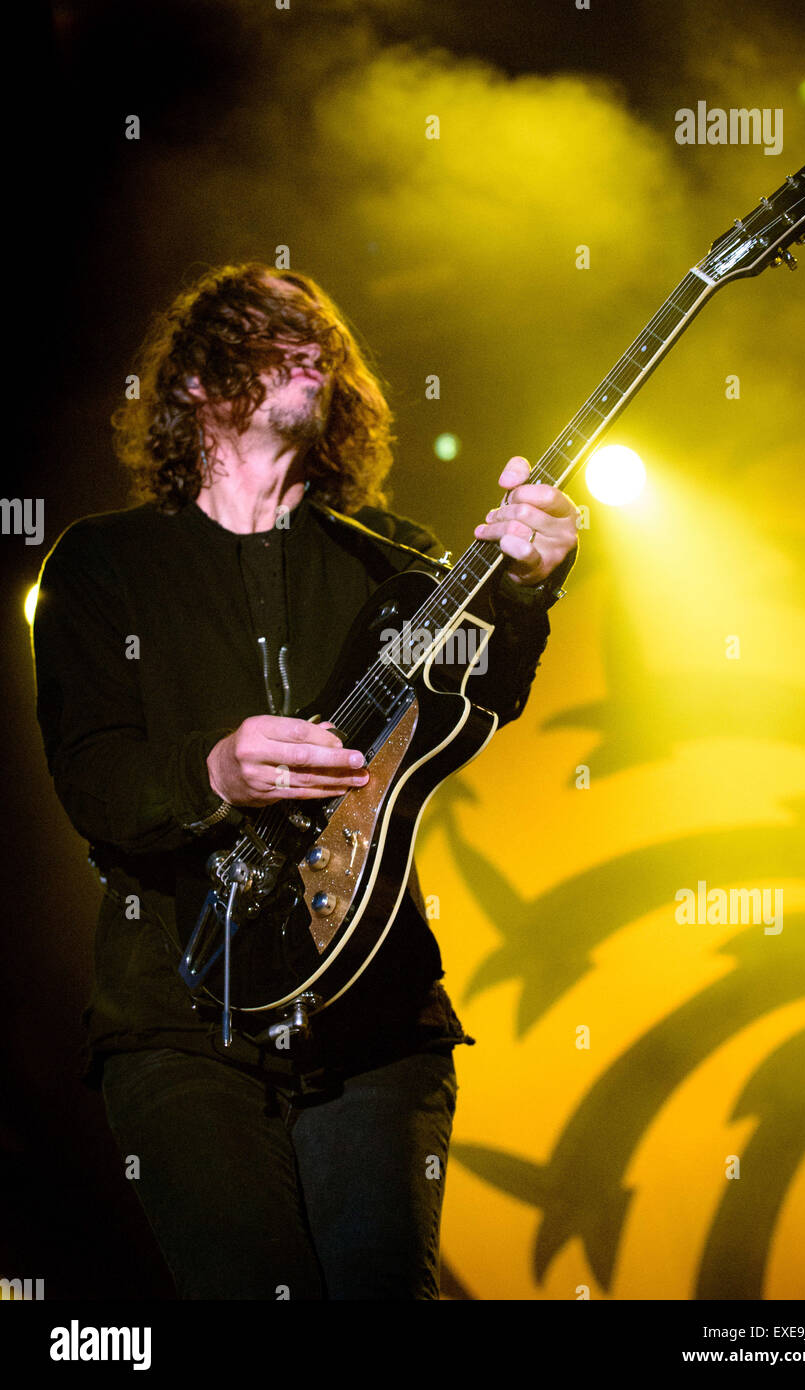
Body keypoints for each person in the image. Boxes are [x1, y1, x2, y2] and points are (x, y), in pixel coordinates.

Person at [32, 263, 579, 1300]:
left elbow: (488, 698)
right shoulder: (102, 565)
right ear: (193, 380)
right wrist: (214, 767)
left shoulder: (398, 562)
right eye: (274, 331)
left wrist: (527, 586)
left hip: (376, 1012)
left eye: (321, 333)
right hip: (179, 1019)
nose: (312, 345)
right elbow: (93, 777)